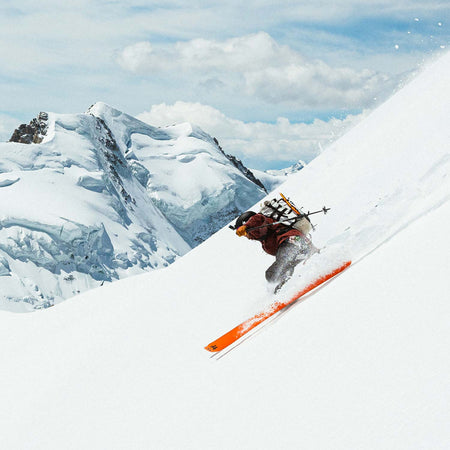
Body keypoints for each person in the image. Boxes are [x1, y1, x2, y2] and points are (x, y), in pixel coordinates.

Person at [234, 210, 317, 292]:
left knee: (279, 268)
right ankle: (313, 254)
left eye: (244, 233)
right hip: (296, 244)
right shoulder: (263, 239)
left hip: (292, 240)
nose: (246, 237)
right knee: (270, 274)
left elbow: (258, 219)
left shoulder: (261, 222)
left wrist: (246, 226)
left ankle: (286, 287)